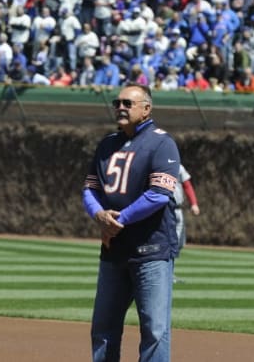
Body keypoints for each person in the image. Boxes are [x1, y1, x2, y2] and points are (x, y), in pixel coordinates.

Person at [82, 83, 180, 362]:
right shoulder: (107, 143)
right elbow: (90, 188)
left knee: (154, 330)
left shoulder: (162, 143)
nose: (120, 108)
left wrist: (118, 220)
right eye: (117, 103)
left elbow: (159, 194)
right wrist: (98, 215)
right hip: (114, 250)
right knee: (103, 327)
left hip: (151, 250)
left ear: (146, 109)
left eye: (128, 103)